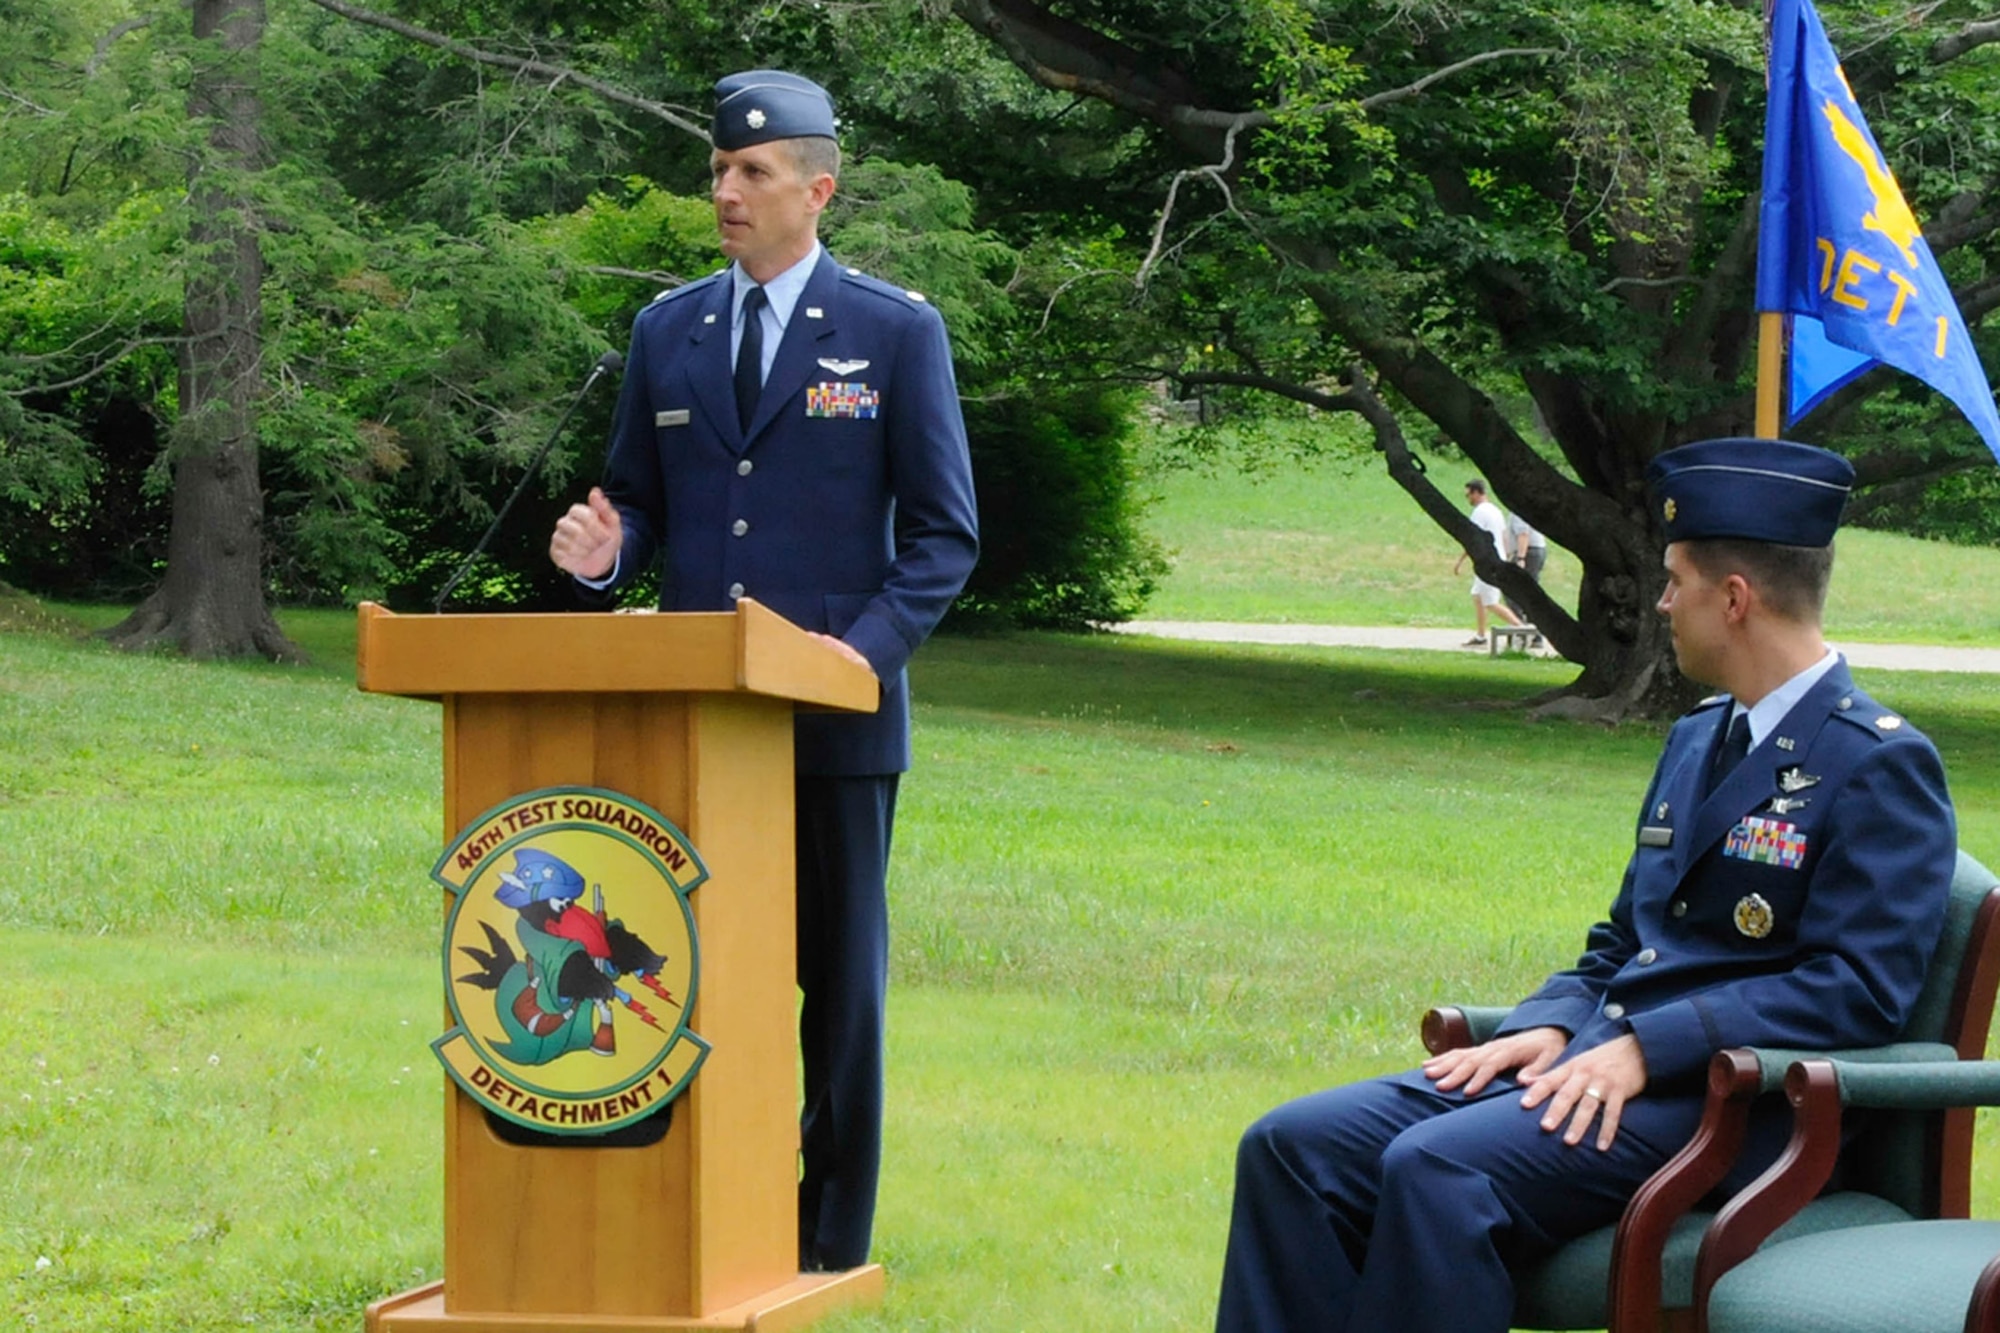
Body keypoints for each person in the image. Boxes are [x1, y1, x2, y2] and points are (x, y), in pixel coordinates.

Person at [1215, 437, 1956, 1333]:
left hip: (1737, 1103)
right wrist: (1547, 1018)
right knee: (1292, 1147)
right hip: (1602, 1061)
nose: (1660, 602)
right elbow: (1626, 940)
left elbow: (1859, 989)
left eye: (1674, 579)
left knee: (1436, 1171)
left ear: (1734, 599)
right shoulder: (1699, 738)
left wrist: (1651, 1044)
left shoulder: (1877, 763)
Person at [547, 68, 979, 1273]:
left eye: (753, 173)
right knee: (693, 970)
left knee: (836, 993)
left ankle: (827, 1235)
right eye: (719, 174)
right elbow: (635, 501)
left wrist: (860, 657)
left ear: (816, 188)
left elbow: (945, 535)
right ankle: (702, 1200)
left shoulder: (894, 331)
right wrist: (601, 554)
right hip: (700, 720)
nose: (726, 193)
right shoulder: (669, 329)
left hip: (836, 723)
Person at [1453, 478, 1525, 647]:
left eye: (1469, 495)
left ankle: (1521, 629)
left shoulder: (1480, 512)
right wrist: (1505, 556)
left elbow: (1473, 538)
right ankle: (1480, 636)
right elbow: (1504, 536)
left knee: (1490, 602)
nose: (1468, 499)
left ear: (1476, 493)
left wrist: (1460, 561)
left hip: (1488, 561)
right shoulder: (1495, 510)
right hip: (1495, 558)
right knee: (1477, 596)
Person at [1503, 508, 1548, 624]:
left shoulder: (1518, 512)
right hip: (1535, 550)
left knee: (1513, 590)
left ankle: (1520, 626)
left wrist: (1520, 558)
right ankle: (1532, 628)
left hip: (1528, 552)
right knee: (1529, 591)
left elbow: (1523, 534)